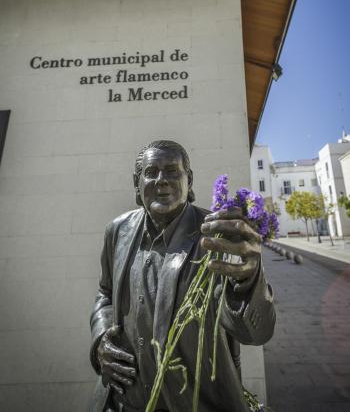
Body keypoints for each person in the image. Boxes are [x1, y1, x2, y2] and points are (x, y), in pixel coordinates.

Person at [89, 140, 275, 412]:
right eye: (151, 172)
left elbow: (256, 333)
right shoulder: (117, 231)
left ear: (189, 180)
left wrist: (247, 281)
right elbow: (105, 294)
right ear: (137, 182)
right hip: (122, 400)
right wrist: (101, 339)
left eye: (172, 171)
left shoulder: (218, 236)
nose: (161, 180)